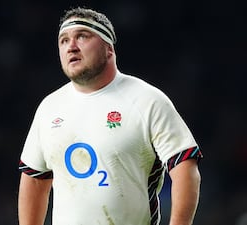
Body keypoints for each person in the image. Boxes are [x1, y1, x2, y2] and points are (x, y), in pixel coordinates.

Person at [18, 7, 203, 225]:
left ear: (109, 48)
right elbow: (35, 179)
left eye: (82, 36)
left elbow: (185, 168)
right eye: (64, 41)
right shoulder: (49, 108)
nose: (71, 47)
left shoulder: (147, 100)